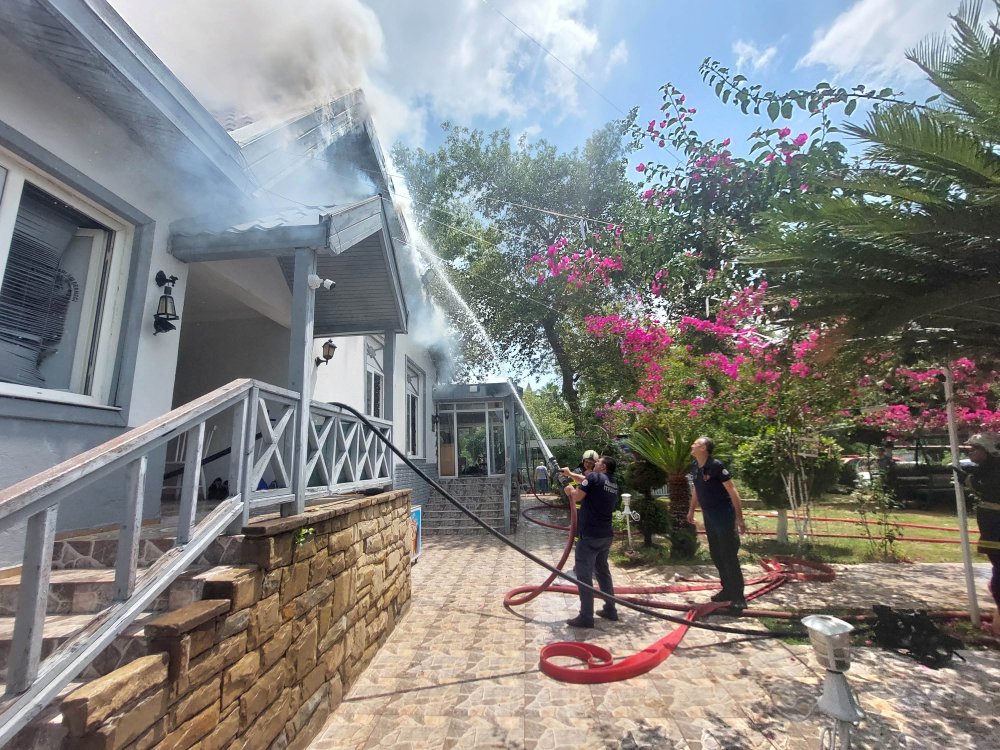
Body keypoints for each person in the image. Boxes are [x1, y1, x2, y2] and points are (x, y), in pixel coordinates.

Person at [687, 436, 747, 610]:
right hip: (709, 515)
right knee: (716, 554)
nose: (692, 445)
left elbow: (732, 490)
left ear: (704, 448)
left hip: (723, 515)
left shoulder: (716, 466)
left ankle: (738, 597)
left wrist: (739, 518)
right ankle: (726, 590)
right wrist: (692, 510)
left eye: (696, 443)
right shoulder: (695, 468)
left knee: (728, 555)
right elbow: (697, 490)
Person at [560, 455, 620, 628]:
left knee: (584, 575)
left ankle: (586, 616)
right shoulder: (612, 483)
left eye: (599, 462)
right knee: (602, 572)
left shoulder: (594, 477)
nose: (595, 463)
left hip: (590, 536)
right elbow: (587, 480)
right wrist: (571, 474)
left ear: (604, 467)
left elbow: (577, 496)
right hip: (605, 536)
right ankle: (610, 609)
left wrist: (569, 491)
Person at [962, 432, 1000, 635]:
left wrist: (967, 480)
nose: (970, 452)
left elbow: (992, 490)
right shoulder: (990, 467)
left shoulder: (997, 469)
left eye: (974, 449)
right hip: (992, 527)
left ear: (988, 451)